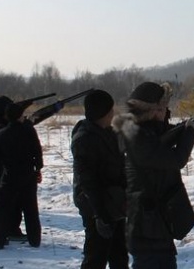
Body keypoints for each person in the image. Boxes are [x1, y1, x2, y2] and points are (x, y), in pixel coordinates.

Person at [112, 82, 194, 268]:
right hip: (147, 228)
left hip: (154, 224)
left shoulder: (144, 130)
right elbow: (177, 159)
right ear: (154, 110)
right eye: (163, 108)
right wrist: (190, 131)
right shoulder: (138, 138)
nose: (166, 112)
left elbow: (178, 131)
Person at [71, 90, 128, 269]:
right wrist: (99, 215)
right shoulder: (84, 139)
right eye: (110, 109)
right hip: (96, 205)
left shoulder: (108, 132)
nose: (113, 113)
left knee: (119, 254)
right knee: (96, 256)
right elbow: (87, 181)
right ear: (103, 112)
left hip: (114, 202)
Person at [0, 103, 43, 249]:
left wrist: (1, 174)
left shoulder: (1, 134)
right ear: (20, 116)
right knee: (31, 209)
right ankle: (34, 239)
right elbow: (37, 151)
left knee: (4, 209)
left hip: (10, 176)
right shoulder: (29, 131)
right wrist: (38, 168)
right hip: (27, 175)